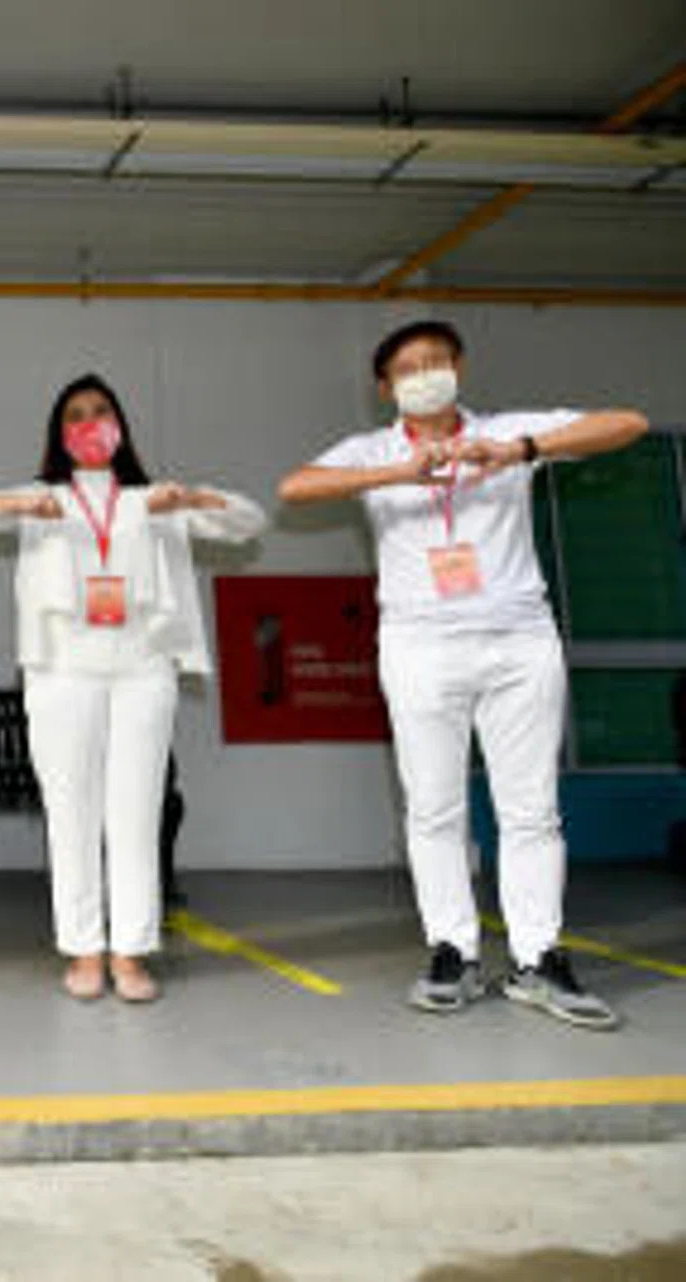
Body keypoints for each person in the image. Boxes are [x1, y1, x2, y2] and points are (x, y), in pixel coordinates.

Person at [279, 319, 648, 1029]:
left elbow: (625, 422)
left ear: (460, 368)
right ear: (385, 388)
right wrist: (398, 473)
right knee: (434, 807)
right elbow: (295, 487)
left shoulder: (509, 432)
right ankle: (453, 950)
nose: (426, 374)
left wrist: (521, 451)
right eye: (409, 367)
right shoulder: (373, 450)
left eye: (438, 361)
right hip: (419, 646)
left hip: (519, 639)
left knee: (531, 809)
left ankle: (539, 958)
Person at [0, 373, 264, 1003]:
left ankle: (131, 953)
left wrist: (191, 497)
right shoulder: (44, 495)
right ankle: (84, 951)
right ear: (60, 434)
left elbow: (248, 522)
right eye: (76, 415)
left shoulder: (151, 498)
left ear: (121, 425)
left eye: (101, 411)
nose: (90, 423)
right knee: (71, 815)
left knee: (136, 814)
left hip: (143, 669)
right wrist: (14, 506)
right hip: (62, 671)